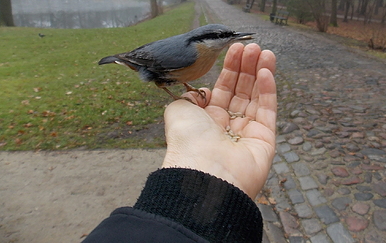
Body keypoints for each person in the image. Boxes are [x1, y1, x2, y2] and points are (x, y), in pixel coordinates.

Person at [83, 42, 277, 243]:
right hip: (145, 64)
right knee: (165, 79)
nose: (227, 39)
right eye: (219, 36)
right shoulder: (189, 54)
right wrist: (177, 98)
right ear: (203, 40)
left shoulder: (199, 55)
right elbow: (158, 77)